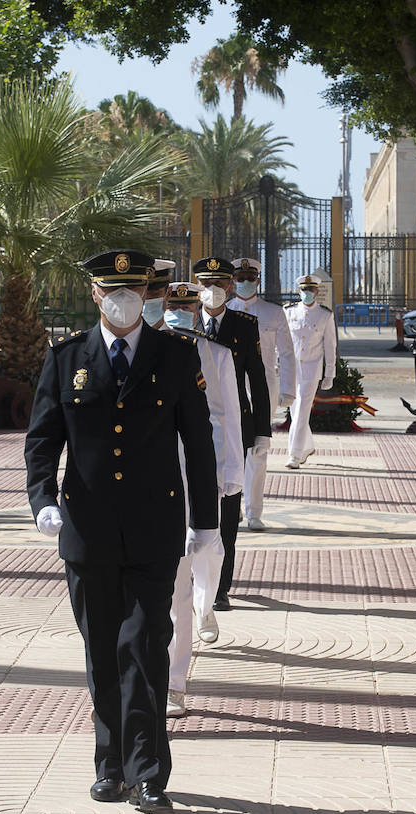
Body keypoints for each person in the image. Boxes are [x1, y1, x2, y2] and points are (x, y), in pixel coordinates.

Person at [25, 249, 220, 814]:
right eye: (113, 290)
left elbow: (198, 441)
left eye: (134, 289)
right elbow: (42, 439)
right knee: (102, 649)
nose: (125, 299)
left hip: (154, 528)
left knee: (146, 646)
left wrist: (205, 521)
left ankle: (148, 771)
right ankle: (109, 764)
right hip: (88, 530)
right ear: (95, 294)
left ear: (146, 293)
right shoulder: (67, 357)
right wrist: (42, 500)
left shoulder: (175, 355)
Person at [161, 281, 243, 718]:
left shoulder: (215, 354)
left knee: (208, 554)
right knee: (175, 579)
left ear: (196, 311)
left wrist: (231, 473)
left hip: (201, 471)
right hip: (159, 479)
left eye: (184, 305)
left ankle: (206, 603)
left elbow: (228, 416)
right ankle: (173, 682)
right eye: (168, 303)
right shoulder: (151, 350)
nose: (177, 312)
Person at [193, 256, 268, 613]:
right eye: (206, 284)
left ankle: (221, 588)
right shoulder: (184, 321)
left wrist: (263, 431)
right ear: (197, 286)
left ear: (230, 286)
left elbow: (258, 379)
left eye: (220, 283)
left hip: (234, 429)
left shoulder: (244, 324)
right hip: (191, 428)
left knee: (228, 511)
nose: (213, 290)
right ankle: (193, 581)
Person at [229, 257, 295, 531]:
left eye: (250, 278)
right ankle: (232, 505)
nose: (245, 282)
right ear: (233, 280)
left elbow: (287, 353)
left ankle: (254, 511)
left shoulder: (273, 312)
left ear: (258, 280)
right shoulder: (224, 311)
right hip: (230, 387)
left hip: (263, 389)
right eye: (240, 278)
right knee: (230, 448)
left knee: (258, 450)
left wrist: (288, 389)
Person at [283, 274, 337, 470]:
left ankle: (294, 454)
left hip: (311, 369)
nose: (307, 293)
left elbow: (330, 345)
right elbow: (281, 340)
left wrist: (330, 373)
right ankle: (307, 446)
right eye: (304, 290)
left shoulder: (325, 315)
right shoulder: (288, 311)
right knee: (295, 410)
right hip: (291, 369)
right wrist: (276, 362)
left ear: (317, 291)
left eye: (311, 289)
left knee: (301, 411)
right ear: (299, 291)